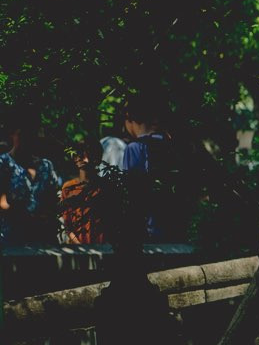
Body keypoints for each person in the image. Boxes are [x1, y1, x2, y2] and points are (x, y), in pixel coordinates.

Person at [119, 104, 181, 242]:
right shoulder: (172, 144)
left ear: (130, 120)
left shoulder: (134, 148)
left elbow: (133, 191)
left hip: (149, 228)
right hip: (177, 223)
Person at [0, 121, 62, 245]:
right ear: (12, 135)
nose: (26, 139)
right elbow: (2, 203)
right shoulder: (4, 164)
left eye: (30, 135)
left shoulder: (46, 166)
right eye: (21, 134)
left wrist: (48, 214)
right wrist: (29, 218)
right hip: (12, 238)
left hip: (43, 237)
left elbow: (55, 198)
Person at [58, 142, 111, 245]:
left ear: (97, 159)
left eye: (89, 154)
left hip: (102, 248)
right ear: (75, 158)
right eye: (80, 154)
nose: (84, 158)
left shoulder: (106, 187)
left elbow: (111, 221)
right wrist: (79, 245)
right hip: (77, 249)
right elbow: (67, 224)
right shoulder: (68, 188)